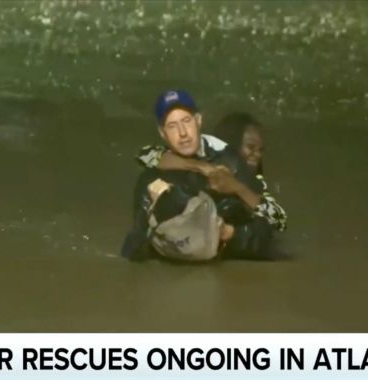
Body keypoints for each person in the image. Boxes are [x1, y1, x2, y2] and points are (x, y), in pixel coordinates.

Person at [121, 90, 284, 262]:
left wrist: (236, 189)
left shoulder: (227, 160)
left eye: (186, 121)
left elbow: (276, 219)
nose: (182, 133)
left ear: (198, 120)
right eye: (172, 126)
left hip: (230, 251)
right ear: (162, 133)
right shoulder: (153, 173)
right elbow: (134, 247)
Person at [137, 108, 286, 231]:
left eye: (261, 150)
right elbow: (145, 155)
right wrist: (201, 167)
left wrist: (237, 188)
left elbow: (279, 221)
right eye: (251, 148)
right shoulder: (206, 155)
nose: (257, 156)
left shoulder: (253, 178)